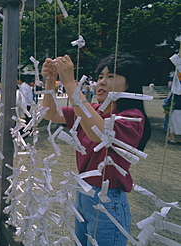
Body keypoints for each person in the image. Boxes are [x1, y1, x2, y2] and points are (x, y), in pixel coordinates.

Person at [42, 53, 151, 246]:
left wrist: (70, 84)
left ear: (130, 84)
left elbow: (99, 133)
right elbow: (50, 113)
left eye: (110, 76)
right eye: (100, 76)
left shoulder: (132, 117)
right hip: (84, 193)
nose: (102, 82)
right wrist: (51, 82)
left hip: (108, 201)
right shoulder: (91, 110)